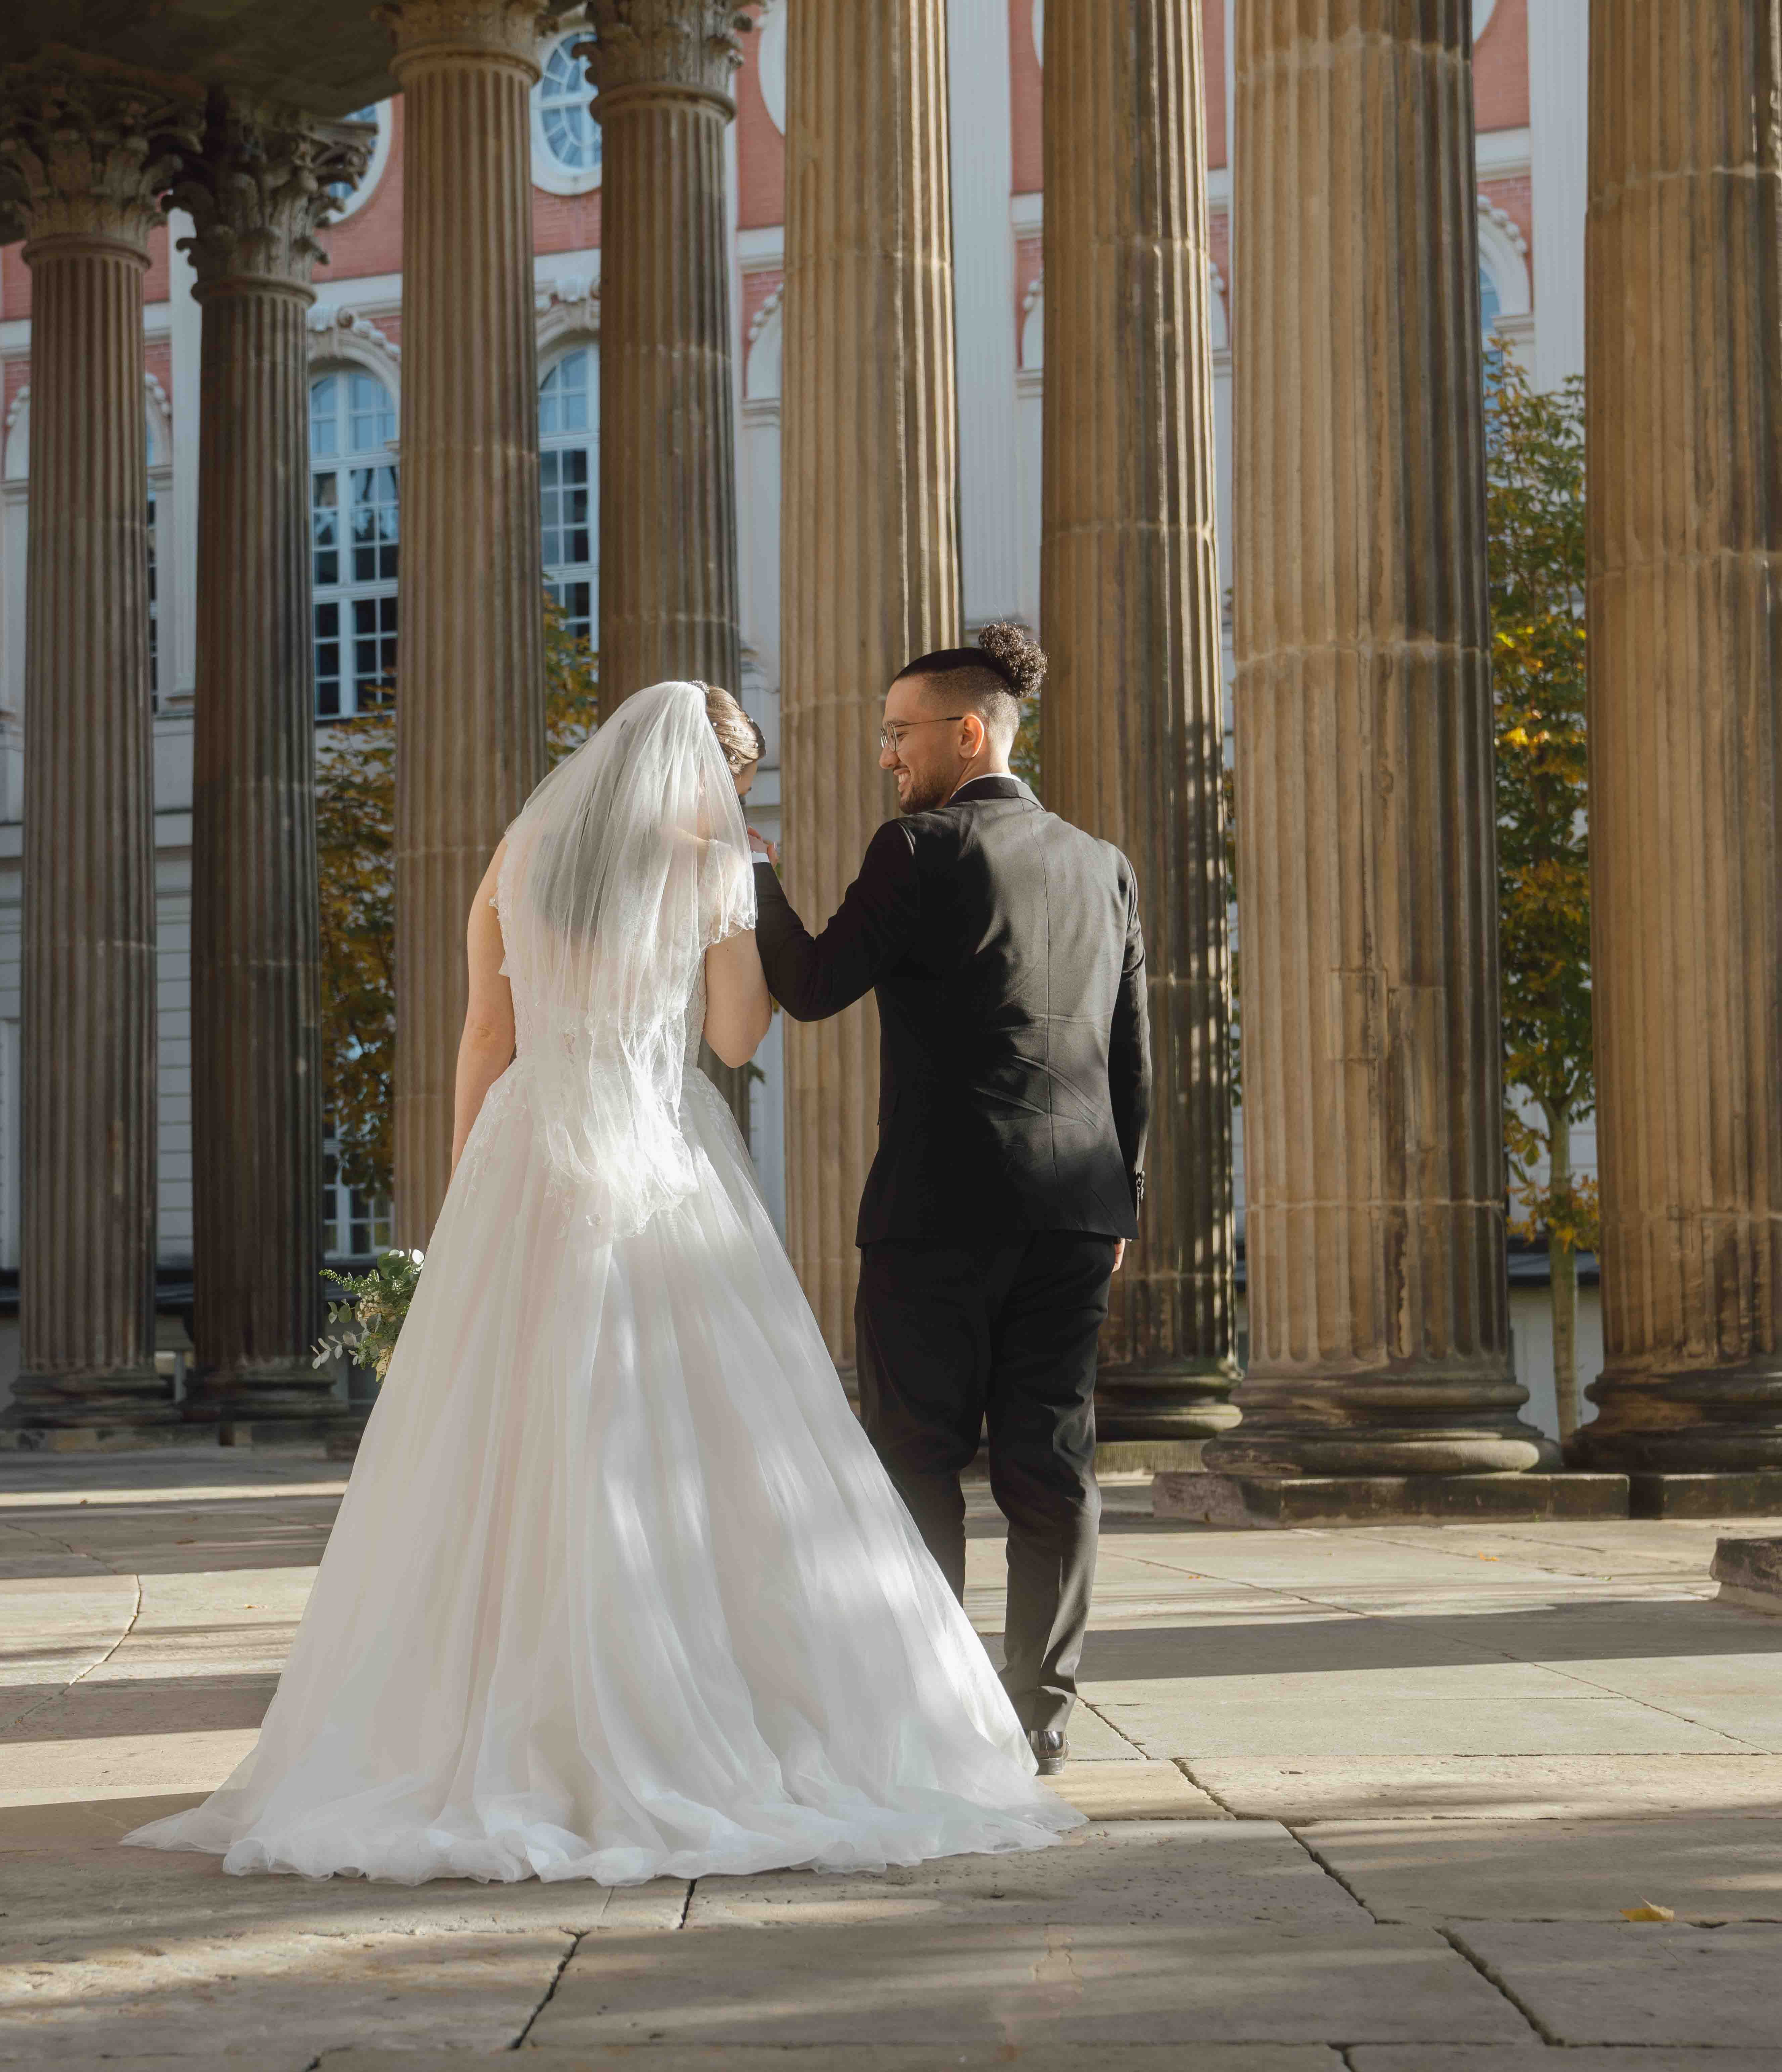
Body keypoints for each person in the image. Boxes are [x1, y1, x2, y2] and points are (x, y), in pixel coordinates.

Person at [128, 678, 1080, 1885]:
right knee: (693, 1429)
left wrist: (464, 1195)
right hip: (656, 1145)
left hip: (525, 1152)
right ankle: (685, 1707)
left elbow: (486, 1034)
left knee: (500, 1439)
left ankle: (459, 1725)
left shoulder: (517, 854)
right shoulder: (712, 864)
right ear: (716, 780)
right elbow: (735, 1039)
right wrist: (742, 885)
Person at [752, 621, 1146, 1777]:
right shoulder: (1105, 864)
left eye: (899, 733)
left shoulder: (919, 847)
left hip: (936, 1215)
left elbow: (810, 984)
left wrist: (755, 878)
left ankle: (931, 1708)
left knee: (917, 1462)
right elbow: (1133, 1056)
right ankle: (1041, 1717)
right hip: (1078, 1214)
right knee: (1052, 1466)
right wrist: (1123, 1200)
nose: (887, 755)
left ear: (968, 733)